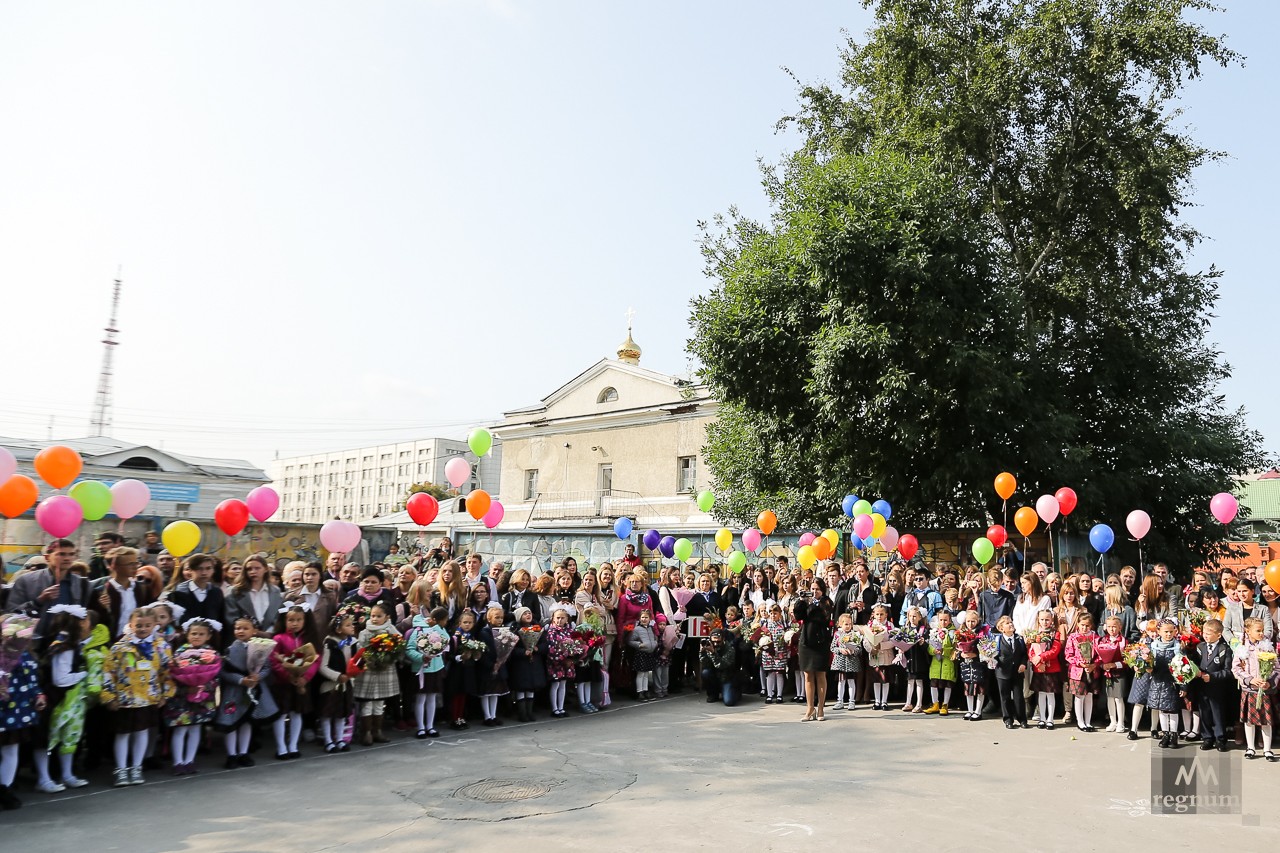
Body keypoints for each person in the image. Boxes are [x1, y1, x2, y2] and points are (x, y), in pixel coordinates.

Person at [100, 606, 174, 787]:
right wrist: (109, 696)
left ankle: (136, 767)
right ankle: (121, 769)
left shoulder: (162, 646)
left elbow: (167, 671)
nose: (142, 629)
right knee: (123, 734)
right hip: (125, 698)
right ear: (130, 625)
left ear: (155, 625)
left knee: (142, 732)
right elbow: (109, 671)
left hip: (148, 697)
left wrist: (166, 693)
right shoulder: (120, 647)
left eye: (147, 625)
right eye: (138, 625)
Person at [34, 605, 92, 792]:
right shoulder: (65, 646)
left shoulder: (63, 642)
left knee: (67, 736)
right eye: (84, 621)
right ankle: (44, 778)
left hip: (62, 698)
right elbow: (61, 679)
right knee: (46, 739)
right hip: (55, 698)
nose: (87, 624)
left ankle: (66, 775)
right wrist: (83, 675)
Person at [214, 617, 278, 768]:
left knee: (246, 722)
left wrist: (258, 676)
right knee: (231, 723)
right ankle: (231, 755)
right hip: (234, 692)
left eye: (245, 628)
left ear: (254, 631)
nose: (240, 631)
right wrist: (241, 680)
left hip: (253, 689)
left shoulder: (260, 647)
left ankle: (243, 752)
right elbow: (223, 672)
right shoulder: (229, 649)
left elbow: (266, 667)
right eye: (237, 628)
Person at [164, 617, 221, 775]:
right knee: (180, 729)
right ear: (187, 634)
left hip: (202, 698)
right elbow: (172, 675)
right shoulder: (180, 653)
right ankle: (177, 762)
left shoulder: (212, 654)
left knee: (195, 729)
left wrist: (204, 686)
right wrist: (186, 688)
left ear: (208, 636)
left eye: (201, 634)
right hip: (181, 699)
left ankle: (190, 760)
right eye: (193, 633)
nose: (197, 636)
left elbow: (215, 678)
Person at [269, 605, 321, 760]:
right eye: (290, 620)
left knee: (296, 713)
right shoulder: (278, 639)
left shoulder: (309, 639)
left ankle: (293, 745)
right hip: (283, 684)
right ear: (284, 621)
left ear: (306, 621)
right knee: (280, 714)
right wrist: (287, 675)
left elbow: (315, 660)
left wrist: (305, 678)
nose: (294, 623)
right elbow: (274, 660)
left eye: (299, 620)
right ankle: (281, 746)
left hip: (301, 683)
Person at [8, 539, 94, 626]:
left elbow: (88, 614)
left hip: (69, 636)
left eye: (71, 554)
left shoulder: (83, 583)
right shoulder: (26, 581)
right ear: (47, 557)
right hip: (34, 636)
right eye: (61, 554)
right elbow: (11, 614)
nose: (67, 558)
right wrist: (39, 601)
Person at [353, 602, 401, 745]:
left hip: (385, 669)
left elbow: (399, 646)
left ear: (387, 617)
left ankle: (377, 731)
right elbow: (360, 650)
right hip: (368, 669)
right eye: (373, 616)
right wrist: (370, 657)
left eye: (378, 616)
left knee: (380, 702)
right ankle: (366, 732)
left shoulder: (392, 631)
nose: (374, 619)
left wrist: (389, 656)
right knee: (367, 702)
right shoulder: (365, 632)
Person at [1232, 616, 1278, 761]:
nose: (1261, 633)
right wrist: (1250, 679)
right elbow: (1236, 668)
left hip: (1264, 690)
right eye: (1258, 630)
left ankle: (1267, 749)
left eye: (1262, 630)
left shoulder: (1267, 647)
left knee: (1266, 721)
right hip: (1250, 690)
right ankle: (1250, 747)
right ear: (1247, 631)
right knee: (1249, 721)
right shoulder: (1242, 648)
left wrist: (1269, 682)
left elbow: (1277, 668)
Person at [404, 606, 450, 737]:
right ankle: (421, 727)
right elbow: (410, 649)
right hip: (422, 669)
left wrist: (437, 628)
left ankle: (430, 726)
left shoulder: (440, 629)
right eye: (444, 620)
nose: (445, 623)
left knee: (432, 697)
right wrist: (421, 657)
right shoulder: (418, 630)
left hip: (436, 668)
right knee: (420, 698)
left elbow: (446, 641)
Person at [165, 554, 227, 644]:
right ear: (190, 570)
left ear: (213, 570)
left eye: (208, 568)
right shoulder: (178, 592)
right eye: (199, 569)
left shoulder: (216, 592)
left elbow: (220, 618)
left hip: (211, 641)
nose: (204, 572)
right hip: (185, 642)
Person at [1195, 618, 1232, 752]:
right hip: (1202, 687)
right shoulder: (1200, 647)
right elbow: (1195, 664)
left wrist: (1212, 677)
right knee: (1204, 712)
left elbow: (1228, 671)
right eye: (1204, 632)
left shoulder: (1224, 649)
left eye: (1209, 633)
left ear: (1218, 635)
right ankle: (1207, 738)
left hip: (1217, 688)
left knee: (1217, 713)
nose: (1205, 635)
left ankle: (1220, 739)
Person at [224, 555, 284, 633]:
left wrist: (269, 633)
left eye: (257, 568)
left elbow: (277, 617)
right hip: (241, 639)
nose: (253, 571)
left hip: (269, 639)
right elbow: (231, 618)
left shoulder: (275, 591)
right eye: (249, 569)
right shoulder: (235, 591)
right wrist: (250, 632)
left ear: (265, 569)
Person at [1064, 612, 1100, 733]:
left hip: (1091, 670)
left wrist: (1094, 664)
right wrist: (1080, 663)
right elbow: (1068, 654)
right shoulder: (1073, 637)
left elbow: (1100, 653)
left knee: (1089, 695)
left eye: (1087, 625)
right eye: (1082, 625)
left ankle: (1088, 721)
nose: (1084, 628)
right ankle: (1080, 721)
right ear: (1078, 624)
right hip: (1077, 671)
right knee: (1080, 696)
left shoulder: (1095, 637)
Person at [1028, 609, 1062, 730]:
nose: (1044, 622)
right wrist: (1036, 661)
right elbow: (1031, 650)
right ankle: (1042, 718)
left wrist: (1041, 657)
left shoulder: (1055, 633)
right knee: (1041, 694)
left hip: (1051, 668)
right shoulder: (1034, 633)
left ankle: (1050, 719)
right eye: (1042, 619)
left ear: (1052, 620)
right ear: (1038, 620)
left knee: (1050, 694)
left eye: (1047, 619)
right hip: (1039, 668)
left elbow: (1055, 650)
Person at [993, 615, 1028, 729]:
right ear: (1001, 628)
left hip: (1017, 672)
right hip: (1002, 673)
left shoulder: (1019, 639)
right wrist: (992, 661)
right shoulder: (997, 640)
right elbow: (993, 655)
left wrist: (1023, 664)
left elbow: (1024, 654)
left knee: (1019, 696)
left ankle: (1022, 719)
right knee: (1005, 697)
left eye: (1011, 622)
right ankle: (1008, 719)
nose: (1011, 624)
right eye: (1007, 623)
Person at [1095, 615, 1128, 733]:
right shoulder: (1102, 640)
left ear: (1120, 627)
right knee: (1109, 697)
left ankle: (1121, 722)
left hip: (1119, 673)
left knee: (1119, 698)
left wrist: (1115, 665)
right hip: (1107, 673)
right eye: (1109, 627)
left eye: (1114, 627)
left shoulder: (1123, 641)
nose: (1112, 629)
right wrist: (1102, 665)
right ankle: (1112, 721)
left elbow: (1127, 660)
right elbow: (1098, 657)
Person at [699, 628, 739, 707]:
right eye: (714, 642)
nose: (716, 644)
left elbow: (721, 665)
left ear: (723, 639)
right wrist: (702, 652)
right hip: (714, 676)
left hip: (727, 677)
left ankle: (736, 691)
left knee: (729, 702)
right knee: (705, 672)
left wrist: (713, 653)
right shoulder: (708, 646)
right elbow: (705, 665)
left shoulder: (729, 649)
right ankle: (713, 694)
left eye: (718, 642)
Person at [627, 609, 659, 701]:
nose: (644, 619)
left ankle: (646, 690)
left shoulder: (651, 628)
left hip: (649, 653)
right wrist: (639, 645)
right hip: (641, 653)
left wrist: (655, 643)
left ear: (650, 619)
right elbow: (630, 641)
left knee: (646, 673)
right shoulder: (636, 629)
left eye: (646, 617)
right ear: (639, 618)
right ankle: (639, 692)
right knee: (640, 673)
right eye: (642, 617)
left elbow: (654, 637)